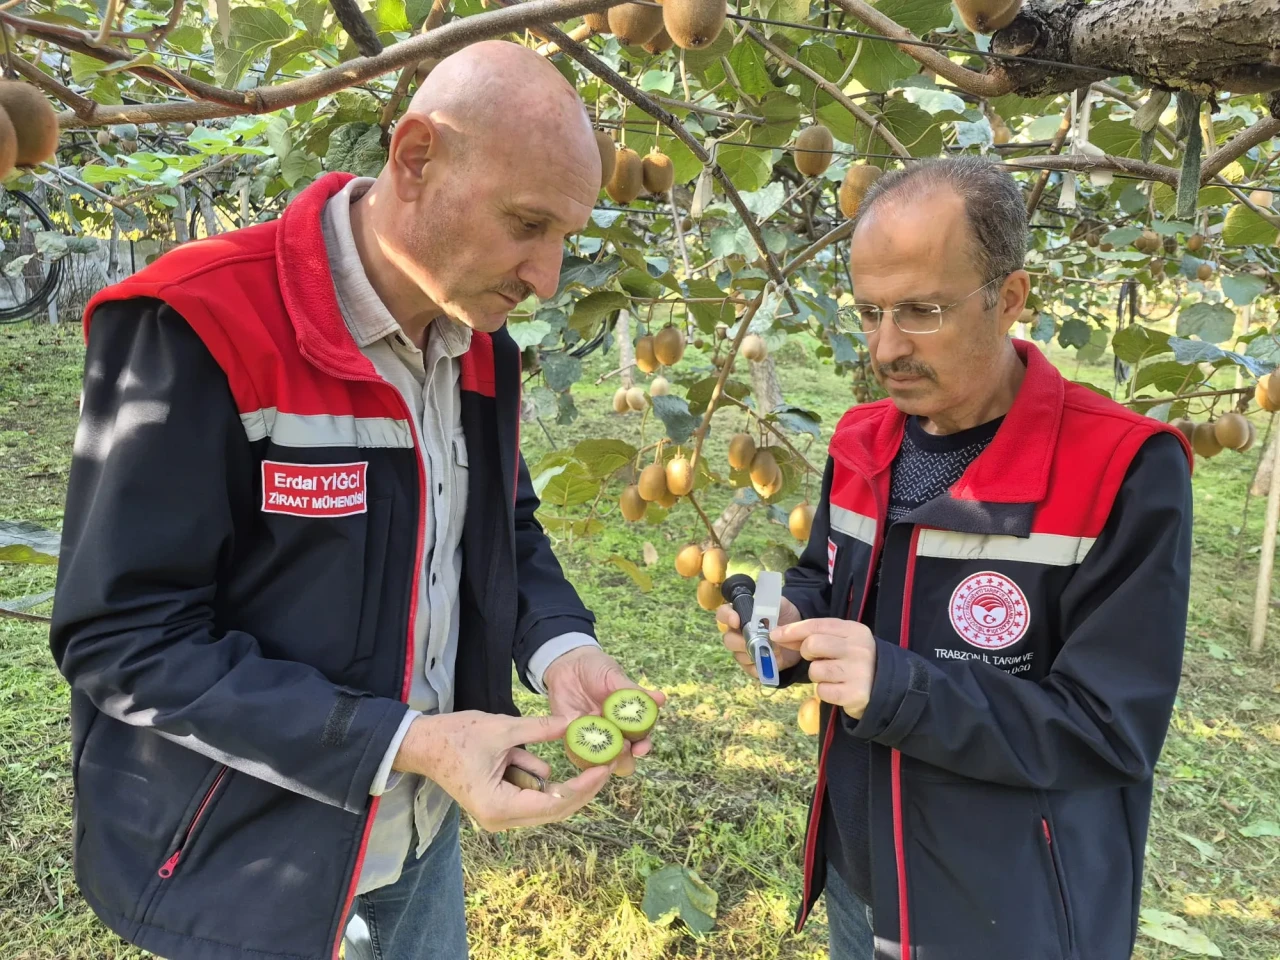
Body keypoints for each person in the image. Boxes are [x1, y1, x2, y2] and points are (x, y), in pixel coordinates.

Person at [49, 41, 664, 960]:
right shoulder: (197, 324)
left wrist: (559, 646)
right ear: (416, 158)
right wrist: (405, 740)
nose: (545, 276)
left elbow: (498, 529)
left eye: (565, 238)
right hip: (248, 870)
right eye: (528, 224)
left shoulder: (477, 341)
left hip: (416, 841)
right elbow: (124, 640)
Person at [718, 156, 1194, 960]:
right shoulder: (861, 441)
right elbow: (827, 580)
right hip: (860, 879)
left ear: (1009, 298)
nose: (886, 346)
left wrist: (895, 684)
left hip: (1005, 917)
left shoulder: (1121, 468)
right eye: (869, 311)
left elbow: (1108, 730)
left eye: (921, 311)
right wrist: (794, 620)